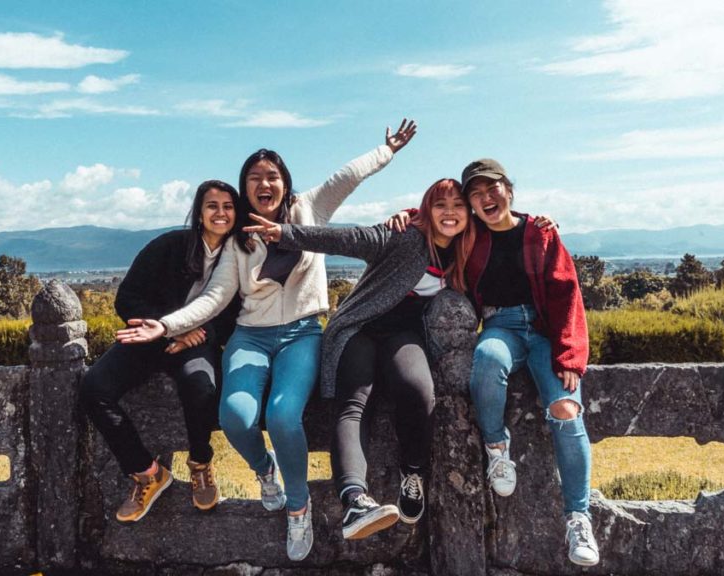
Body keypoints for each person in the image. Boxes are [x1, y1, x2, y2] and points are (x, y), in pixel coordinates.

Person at [114, 120, 417, 561]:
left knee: (282, 414)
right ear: (245, 188)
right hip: (251, 337)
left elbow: (347, 176)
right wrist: (166, 325)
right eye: (254, 178)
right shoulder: (240, 241)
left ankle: (299, 507)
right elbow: (215, 298)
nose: (264, 183)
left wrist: (386, 150)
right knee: (235, 416)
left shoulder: (310, 209)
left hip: (301, 333)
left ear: (285, 182)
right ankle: (265, 470)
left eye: (272, 175)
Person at [245, 178, 474, 540]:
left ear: (469, 212)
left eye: (458, 205)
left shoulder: (467, 251)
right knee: (354, 403)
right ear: (427, 209)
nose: (450, 213)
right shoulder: (405, 237)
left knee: (418, 392)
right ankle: (354, 500)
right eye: (440, 205)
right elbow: (347, 239)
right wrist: (286, 233)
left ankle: (411, 471)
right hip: (360, 327)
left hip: (404, 336)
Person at [460, 158, 599, 567]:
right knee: (486, 359)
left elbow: (566, 292)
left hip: (543, 330)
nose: (486, 199)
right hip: (500, 325)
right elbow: (435, 216)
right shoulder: (471, 238)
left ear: (509, 189)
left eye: (492, 188)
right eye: (476, 194)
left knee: (566, 410)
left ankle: (578, 518)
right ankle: (496, 448)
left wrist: (570, 354)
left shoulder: (539, 233)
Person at [79, 180, 242, 522]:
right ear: (199, 212)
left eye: (228, 206)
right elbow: (127, 298)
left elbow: (237, 313)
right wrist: (169, 330)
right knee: (94, 388)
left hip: (198, 342)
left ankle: (200, 463)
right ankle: (147, 472)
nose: (221, 213)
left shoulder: (241, 256)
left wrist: (205, 333)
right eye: (213, 205)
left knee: (201, 386)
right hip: (152, 337)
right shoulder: (169, 246)